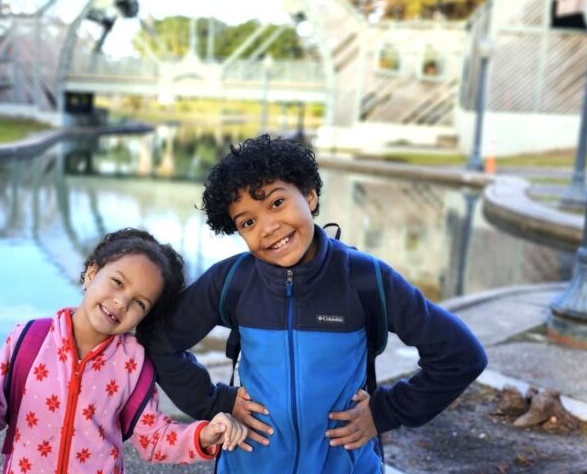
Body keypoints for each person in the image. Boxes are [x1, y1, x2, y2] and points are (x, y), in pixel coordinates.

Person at [147, 134, 488, 473]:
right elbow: (160, 341)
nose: (269, 227)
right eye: (248, 222)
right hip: (249, 465)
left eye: (277, 203)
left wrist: (384, 411)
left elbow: (460, 355)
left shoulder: (364, 278)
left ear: (309, 195)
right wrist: (215, 401)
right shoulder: (232, 281)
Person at [0, 228, 248, 473]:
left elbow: (153, 439)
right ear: (92, 273)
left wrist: (204, 434)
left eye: (139, 303)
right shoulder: (28, 339)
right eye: (117, 282)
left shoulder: (134, 364)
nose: (121, 302)